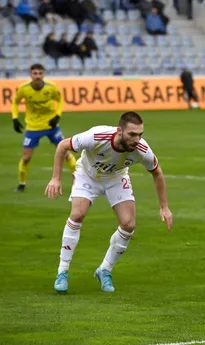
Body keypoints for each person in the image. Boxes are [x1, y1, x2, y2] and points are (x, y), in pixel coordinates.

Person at [45, 111, 173, 293]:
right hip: (87, 175)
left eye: (140, 135)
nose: (137, 139)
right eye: (132, 134)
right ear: (120, 131)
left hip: (115, 178)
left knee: (128, 224)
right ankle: (62, 271)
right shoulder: (97, 136)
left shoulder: (142, 149)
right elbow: (62, 146)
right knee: (77, 214)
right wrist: (56, 178)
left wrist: (164, 207)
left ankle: (105, 269)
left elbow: (157, 173)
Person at [12, 64, 77, 192]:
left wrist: (57, 116)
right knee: (26, 158)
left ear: (43, 74)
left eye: (40, 73)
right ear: (30, 74)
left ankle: (78, 181)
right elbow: (15, 102)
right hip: (33, 127)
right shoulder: (23, 88)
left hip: (51, 126)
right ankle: (22, 183)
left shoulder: (51, 87)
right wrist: (15, 118)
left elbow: (60, 100)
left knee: (66, 153)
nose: (37, 76)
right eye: (35, 73)